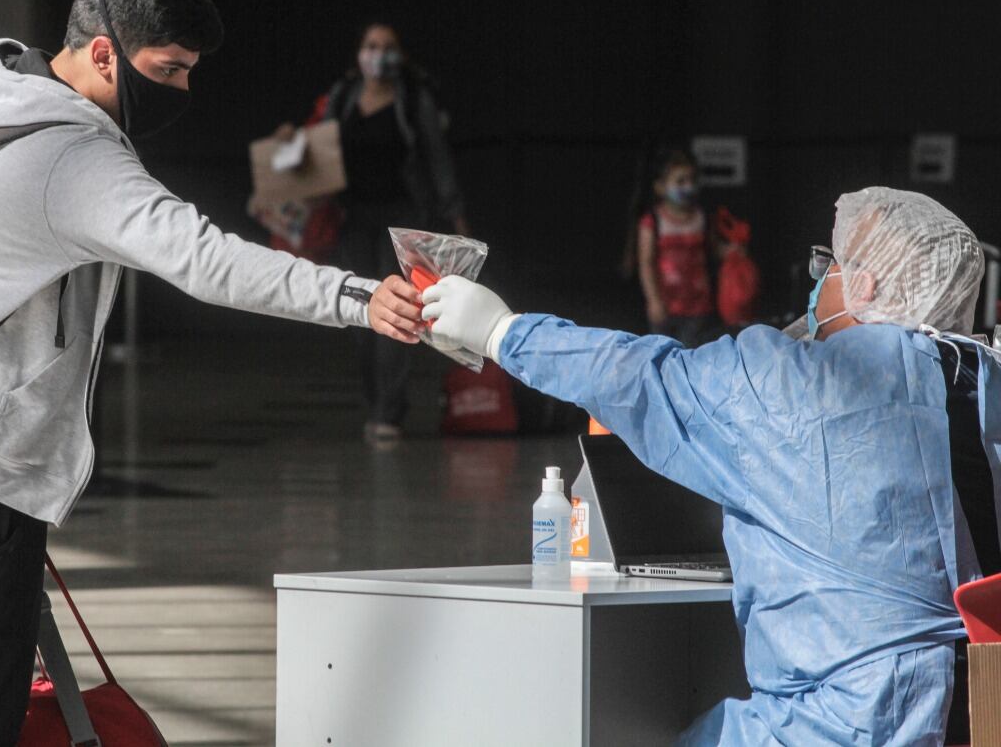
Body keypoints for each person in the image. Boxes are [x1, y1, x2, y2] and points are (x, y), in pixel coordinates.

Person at [0, 0, 425, 747]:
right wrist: (356, 297)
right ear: (101, 52)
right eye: (168, 69)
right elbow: (206, 259)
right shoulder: (72, 157)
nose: (184, 89)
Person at [418, 187, 996, 744]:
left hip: (850, 719)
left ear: (864, 286)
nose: (819, 278)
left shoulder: (792, 382)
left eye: (832, 263)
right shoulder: (987, 380)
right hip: (985, 708)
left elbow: (637, 375)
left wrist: (501, 332)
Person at [276, 22, 467, 445]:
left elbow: (437, 158)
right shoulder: (343, 98)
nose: (378, 54)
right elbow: (317, 149)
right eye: (371, 45)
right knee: (361, 312)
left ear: (400, 56)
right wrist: (291, 142)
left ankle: (389, 412)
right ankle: (374, 401)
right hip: (354, 218)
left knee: (398, 312)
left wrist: (455, 215)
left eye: (387, 47)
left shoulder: (413, 100)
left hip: (403, 221)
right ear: (359, 52)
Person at [632, 147, 718, 346]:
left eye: (692, 180)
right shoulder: (652, 221)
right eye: (680, 181)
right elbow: (646, 263)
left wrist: (733, 251)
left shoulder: (702, 217)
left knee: (692, 353)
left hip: (699, 306)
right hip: (666, 305)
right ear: (660, 187)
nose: (688, 186)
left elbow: (714, 250)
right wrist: (654, 301)